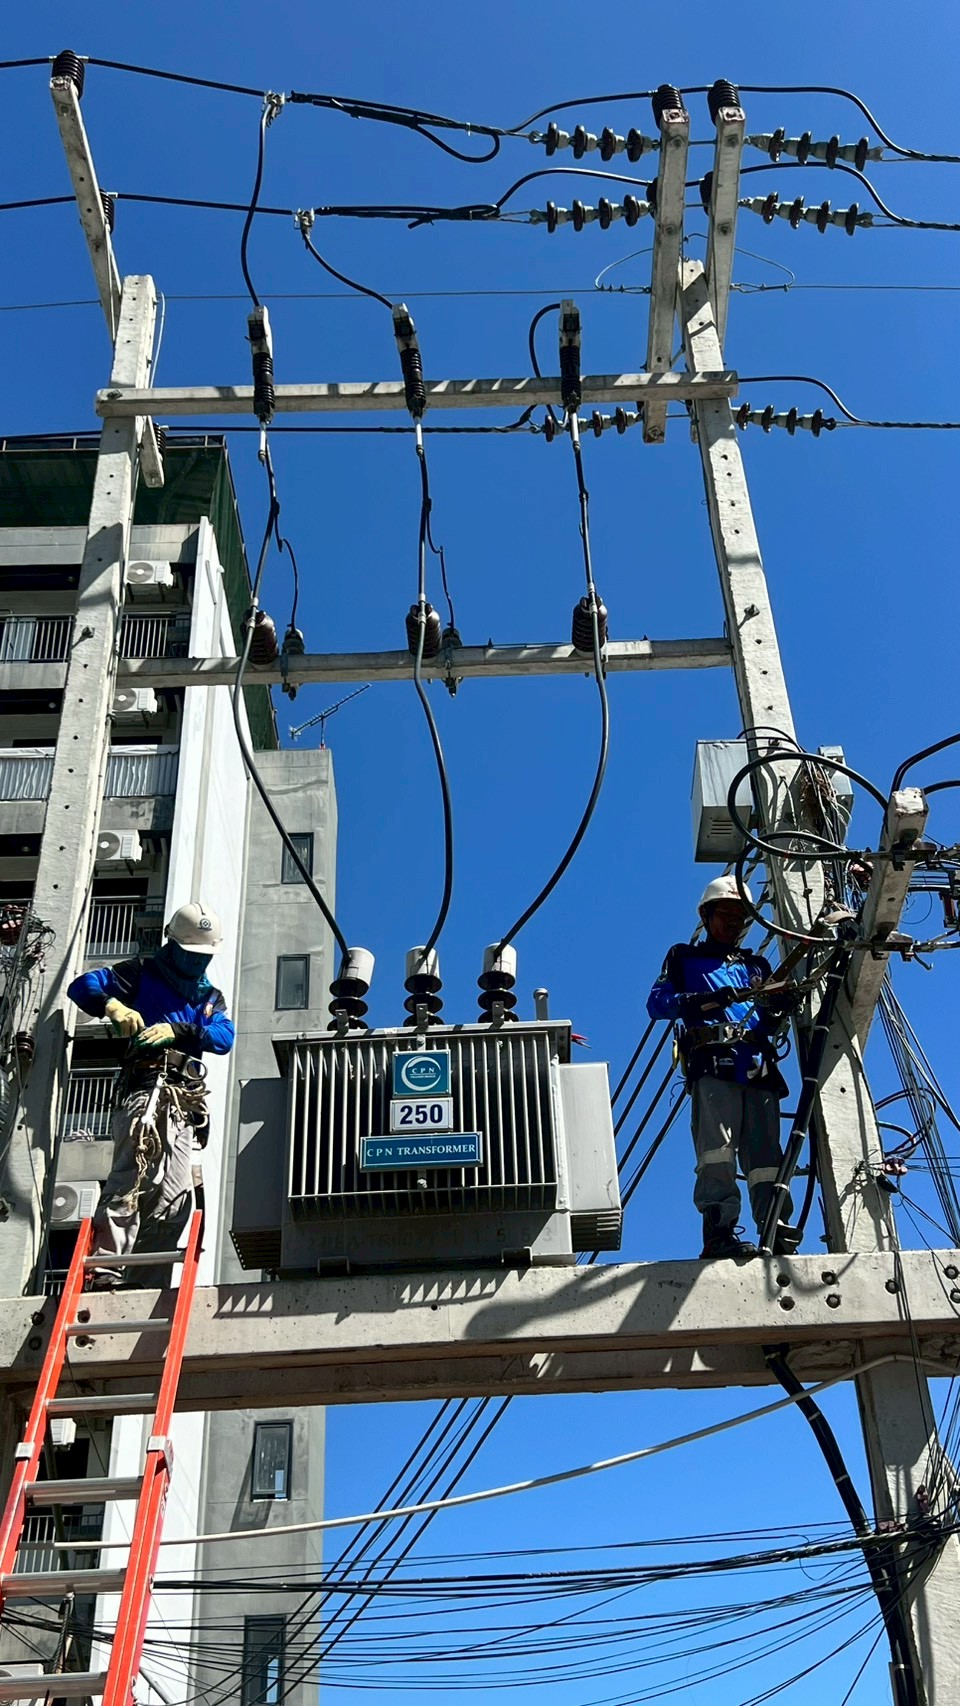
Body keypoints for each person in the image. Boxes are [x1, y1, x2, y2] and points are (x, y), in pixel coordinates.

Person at [67, 902, 235, 1288]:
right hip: (146, 1084)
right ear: (171, 944)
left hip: (183, 1101)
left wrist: (180, 1031)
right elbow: (83, 985)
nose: (197, 961)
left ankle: (145, 1282)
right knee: (133, 1175)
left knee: (175, 1197)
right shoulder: (140, 973)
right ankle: (106, 1269)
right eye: (191, 953)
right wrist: (112, 1005)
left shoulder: (209, 997)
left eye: (203, 955)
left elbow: (225, 1037)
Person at [646, 875, 799, 1260]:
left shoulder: (756, 965)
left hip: (757, 1066)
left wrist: (780, 1004)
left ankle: (776, 1230)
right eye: (725, 914)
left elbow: (770, 1016)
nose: (733, 923)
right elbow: (657, 1004)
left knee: (767, 1158)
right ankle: (719, 1231)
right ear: (707, 915)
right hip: (713, 1063)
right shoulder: (684, 957)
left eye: (739, 916)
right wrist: (705, 1000)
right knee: (718, 1152)